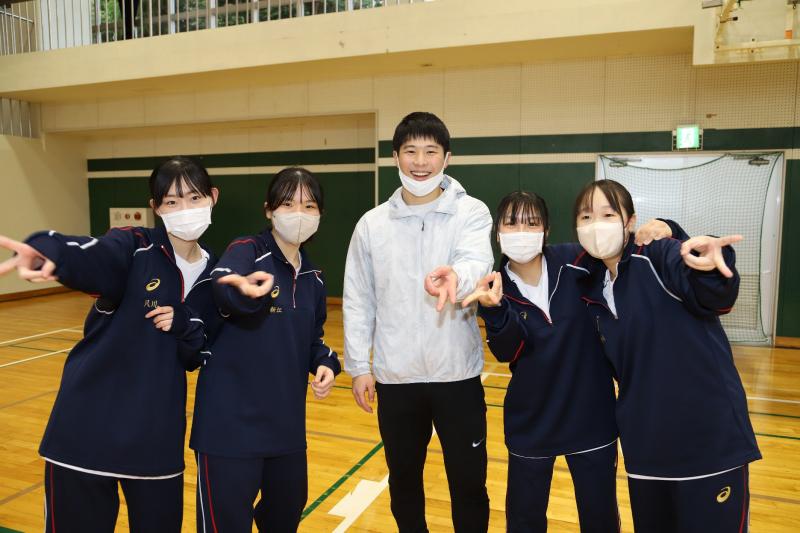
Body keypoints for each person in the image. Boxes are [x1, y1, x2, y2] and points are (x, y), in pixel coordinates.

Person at [0, 156, 219, 532]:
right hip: (85, 433)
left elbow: (193, 356)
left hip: (155, 440)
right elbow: (93, 254)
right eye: (172, 201)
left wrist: (185, 325)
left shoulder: (216, 273)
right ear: (156, 208)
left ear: (213, 197)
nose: (185, 209)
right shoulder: (134, 247)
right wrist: (48, 249)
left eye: (194, 198)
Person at [464, 190, 676, 532]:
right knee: (525, 520)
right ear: (498, 232)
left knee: (600, 519)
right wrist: (496, 310)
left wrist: (666, 227)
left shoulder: (578, 261)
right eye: (512, 223)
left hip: (592, 419)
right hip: (532, 423)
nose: (521, 232)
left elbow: (629, 252)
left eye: (532, 223)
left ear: (546, 230)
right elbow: (508, 352)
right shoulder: (494, 288)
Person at [574, 179, 761, 533]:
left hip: (709, 446)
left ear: (630, 221)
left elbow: (713, 293)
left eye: (608, 214)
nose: (596, 225)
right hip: (646, 455)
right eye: (586, 217)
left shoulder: (656, 255)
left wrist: (711, 262)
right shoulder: (591, 292)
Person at [343, 111, 493, 532]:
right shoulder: (372, 224)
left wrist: (458, 276)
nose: (421, 162)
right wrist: (359, 367)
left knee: (469, 483)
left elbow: (476, 261)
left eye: (431, 151)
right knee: (404, 482)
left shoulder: (471, 212)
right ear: (396, 157)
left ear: (447, 158)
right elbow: (358, 299)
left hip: (457, 375)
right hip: (396, 378)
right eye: (411, 151)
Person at [190, 167, 340, 533]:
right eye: (287, 204)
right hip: (229, 428)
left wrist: (324, 362)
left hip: (286, 429)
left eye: (308, 206)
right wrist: (239, 289)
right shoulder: (248, 250)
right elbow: (225, 283)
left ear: (320, 214)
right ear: (269, 210)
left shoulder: (314, 277)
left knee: (285, 514)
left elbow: (311, 338)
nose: (299, 213)